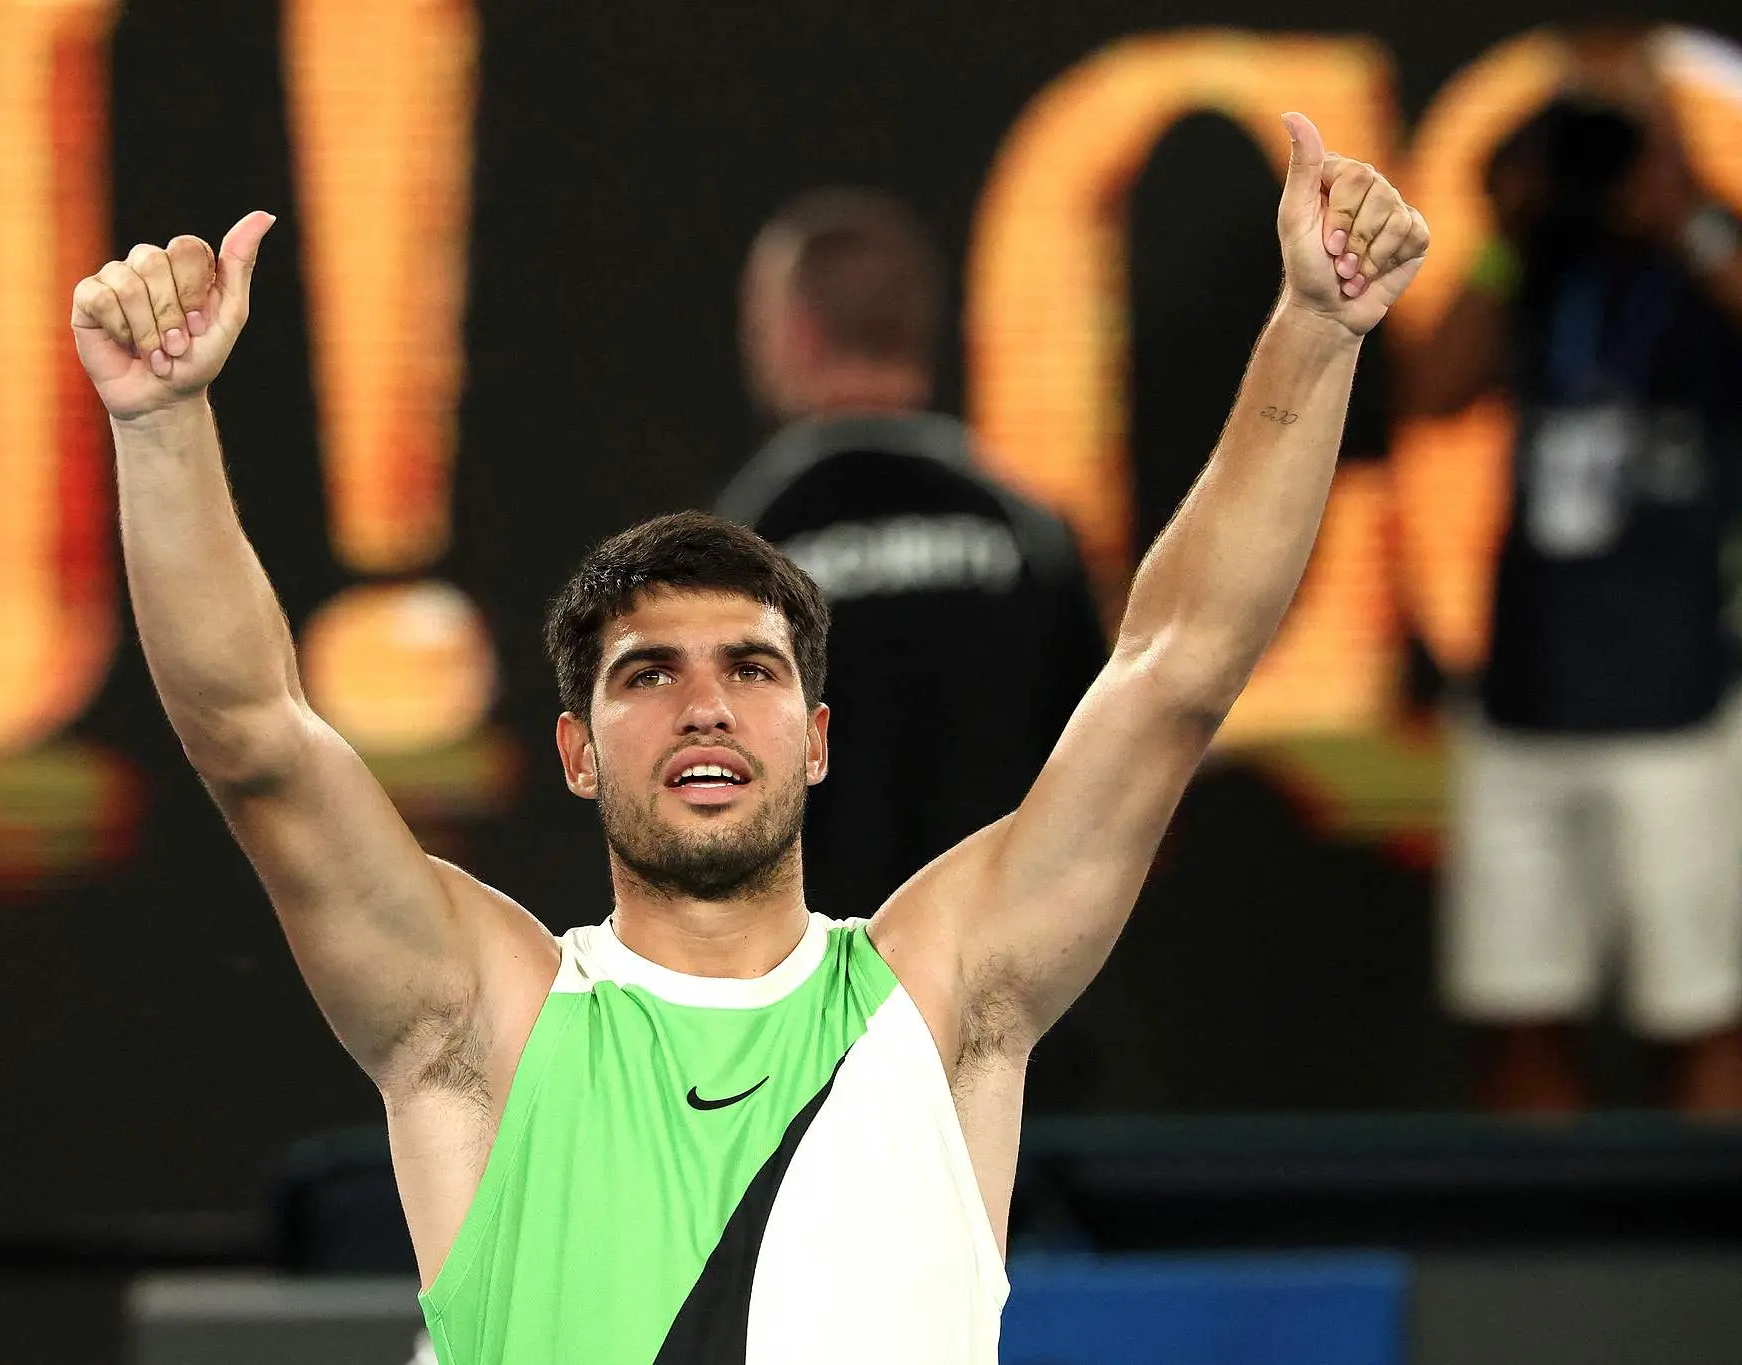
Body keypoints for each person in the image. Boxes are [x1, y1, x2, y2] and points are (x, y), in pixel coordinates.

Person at [71, 112, 1426, 1362]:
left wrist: (1317, 328)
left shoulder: (941, 1002)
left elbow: (1176, 671)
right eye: (647, 674)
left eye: (750, 668)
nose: (704, 704)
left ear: (817, 738)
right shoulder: (483, 1025)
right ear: (576, 753)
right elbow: (253, 737)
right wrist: (160, 421)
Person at [1408, 28, 1742, 1115]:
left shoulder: (1702, 263)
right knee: (1515, 1010)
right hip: (1526, 700)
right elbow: (1431, 389)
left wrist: (1682, 207)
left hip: (1679, 707)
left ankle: (1705, 1224)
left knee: (1697, 1011)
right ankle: (1540, 1227)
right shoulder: (1535, 268)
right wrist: (1510, 233)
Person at [718, 188, 1107, 929]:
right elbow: (1110, 778)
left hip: (814, 987)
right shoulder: (1028, 530)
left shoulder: (740, 548)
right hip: (1003, 972)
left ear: (798, 332)